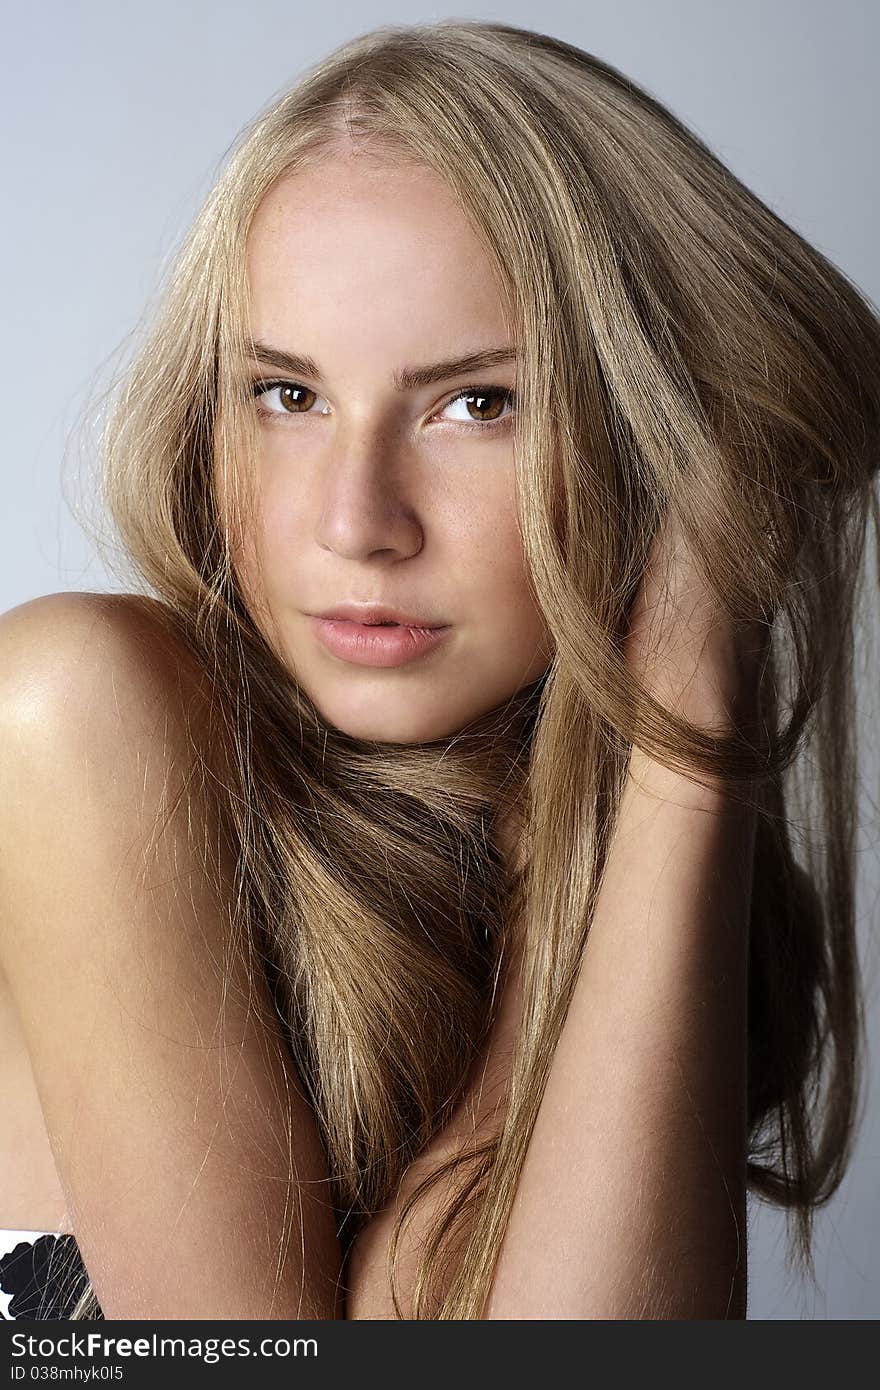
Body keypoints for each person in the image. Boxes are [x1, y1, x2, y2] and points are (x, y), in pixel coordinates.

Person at [1, 18, 877, 1321]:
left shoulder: (571, 864)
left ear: (648, 432)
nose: (357, 520)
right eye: (286, 396)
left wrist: (682, 711)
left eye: (479, 404)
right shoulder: (75, 706)